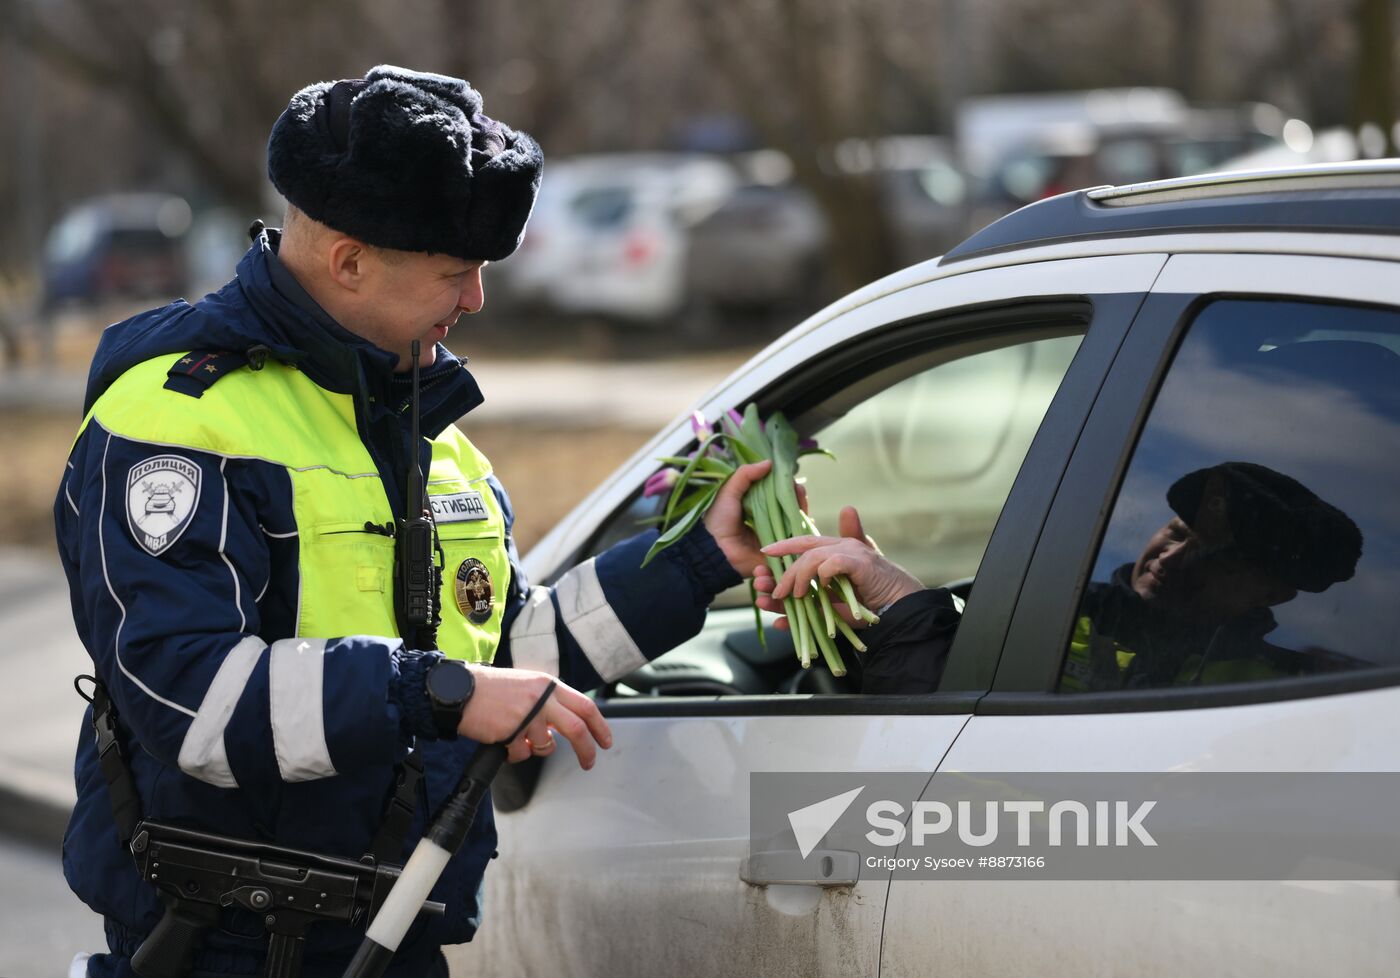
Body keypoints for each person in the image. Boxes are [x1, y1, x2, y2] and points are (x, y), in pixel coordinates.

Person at [56, 66, 771, 978]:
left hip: (393, 934)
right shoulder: (176, 418)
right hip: (222, 940)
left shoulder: (424, 431)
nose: (475, 301)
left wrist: (699, 559)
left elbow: (506, 654)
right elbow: (186, 697)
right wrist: (436, 693)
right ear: (348, 260)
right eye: (454, 272)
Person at [755, 462, 1362, 694]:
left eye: (1215, 557)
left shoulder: (1271, 688)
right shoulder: (1042, 602)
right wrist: (874, 627)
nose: (1170, 559)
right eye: (1178, 532)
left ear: (1274, 591)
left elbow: (988, 781)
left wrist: (903, 604)